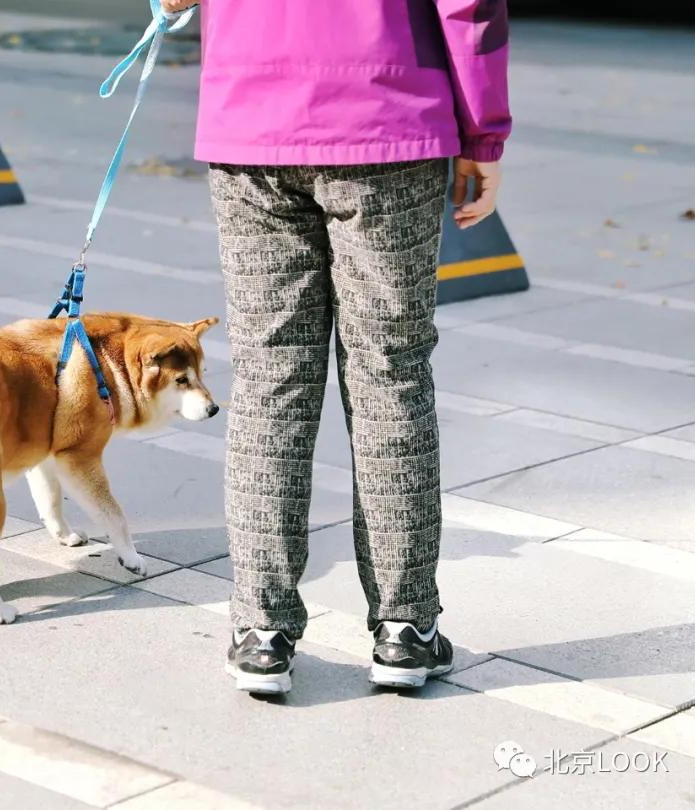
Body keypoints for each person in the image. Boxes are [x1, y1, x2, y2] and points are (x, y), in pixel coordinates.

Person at [161, 0, 512, 694]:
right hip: (388, 116)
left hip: (251, 123)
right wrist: (484, 133)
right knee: (392, 374)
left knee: (270, 378)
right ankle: (406, 628)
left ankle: (262, 630)